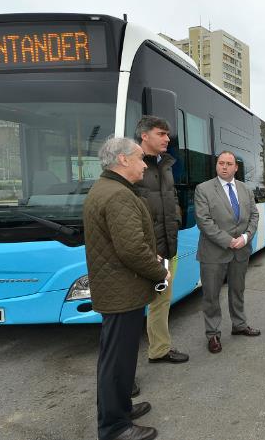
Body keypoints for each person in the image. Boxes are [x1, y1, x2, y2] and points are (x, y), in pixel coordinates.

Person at [84, 137, 169, 440]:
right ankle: (115, 427)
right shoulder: (118, 195)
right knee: (117, 361)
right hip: (123, 291)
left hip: (118, 289)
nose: (144, 164)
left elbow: (126, 243)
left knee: (116, 358)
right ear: (122, 160)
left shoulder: (106, 188)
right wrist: (159, 270)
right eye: (139, 158)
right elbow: (132, 249)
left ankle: (120, 409)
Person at [133, 116, 189, 365]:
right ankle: (125, 372)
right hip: (142, 251)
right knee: (131, 309)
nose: (168, 139)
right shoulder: (131, 166)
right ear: (145, 136)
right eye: (161, 134)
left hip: (168, 246)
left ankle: (159, 350)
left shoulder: (166, 165)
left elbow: (172, 198)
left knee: (161, 301)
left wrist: (175, 221)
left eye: (168, 134)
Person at [194, 151, 260, 354]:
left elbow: (254, 216)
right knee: (211, 295)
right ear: (216, 166)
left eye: (229, 163)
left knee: (238, 290)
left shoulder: (245, 190)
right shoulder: (203, 189)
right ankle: (212, 334)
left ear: (236, 168)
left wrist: (246, 238)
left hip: (241, 251)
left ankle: (239, 325)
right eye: (221, 163)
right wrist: (229, 241)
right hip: (214, 253)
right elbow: (203, 221)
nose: (224, 166)